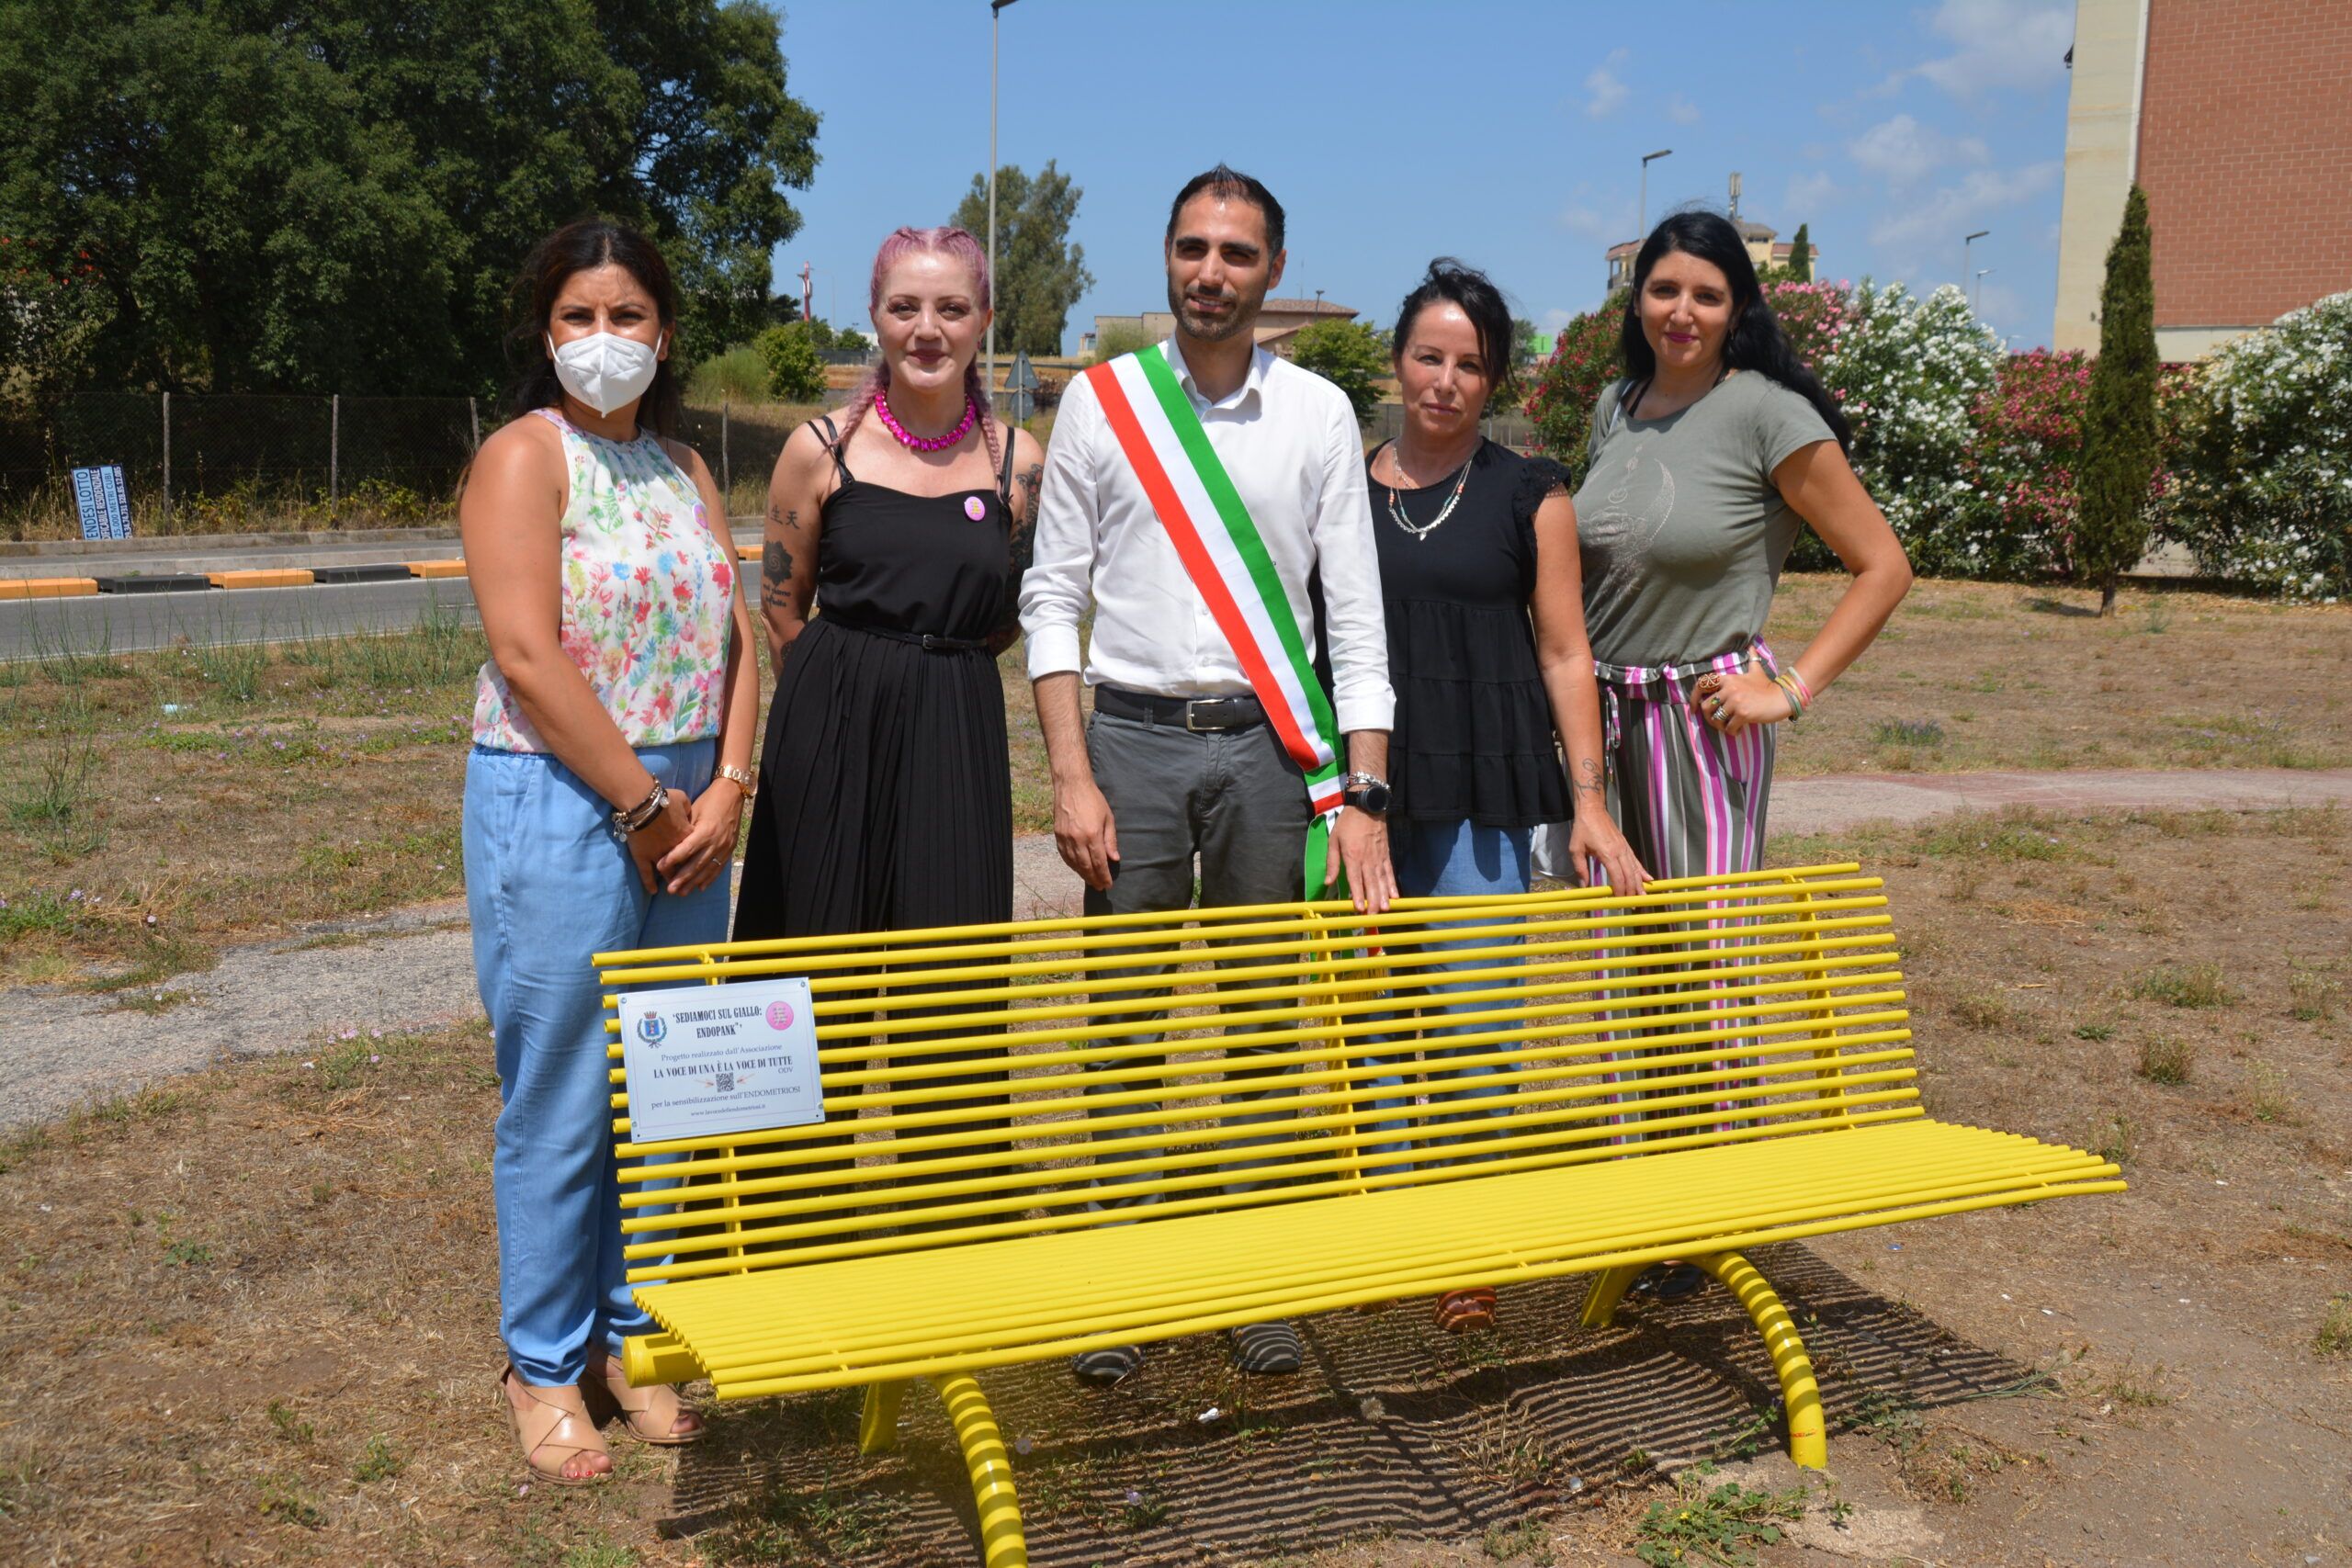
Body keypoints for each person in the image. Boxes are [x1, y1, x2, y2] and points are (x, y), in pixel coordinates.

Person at [1021, 164, 1396, 1385]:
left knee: (1259, 1023)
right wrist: (1069, 774)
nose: (1212, 272)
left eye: (1238, 252)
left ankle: (1253, 1279)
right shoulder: (1103, 403)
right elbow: (1053, 592)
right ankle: (1120, 1282)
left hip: (1269, 752)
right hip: (1126, 740)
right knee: (1123, 1022)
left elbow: (1356, 618)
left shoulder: (1322, 414)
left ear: (1273, 270)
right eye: (1193, 247)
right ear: (1168, 256)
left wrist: (1364, 795)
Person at [1563, 210, 1913, 1300]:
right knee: (1636, 969)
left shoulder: (1768, 413)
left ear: (1737, 311)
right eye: (1664, 290)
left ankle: (1709, 1213)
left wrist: (1790, 688)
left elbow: (1882, 565)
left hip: (1702, 721)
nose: (1681, 311)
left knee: (1706, 963)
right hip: (1610, 723)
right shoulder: (1612, 411)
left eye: (1707, 295)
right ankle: (1649, 1191)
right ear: (1637, 302)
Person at [462, 217, 758, 1484]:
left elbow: (747, 633)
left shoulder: (688, 466)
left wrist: (731, 781)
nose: (603, 340)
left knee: (671, 1089)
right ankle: (544, 1357)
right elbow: (529, 654)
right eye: (578, 317)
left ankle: (637, 1330)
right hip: (567, 802)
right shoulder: (525, 459)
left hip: (695, 804)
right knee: (567, 1092)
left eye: (626, 316)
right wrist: (644, 805)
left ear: (665, 332)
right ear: (546, 333)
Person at [1357, 259, 1648, 1334]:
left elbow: (1567, 654)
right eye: (1428, 357)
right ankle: (1388, 1225)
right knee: (1372, 1023)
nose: (1444, 380)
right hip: (1368, 790)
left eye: (1468, 364)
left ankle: (1466, 1243)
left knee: (1475, 1020)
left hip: (1484, 781)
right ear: (1398, 361)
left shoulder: (1534, 492)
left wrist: (1589, 800)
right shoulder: (1339, 483)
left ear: (1493, 380)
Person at [733, 227, 1042, 1203]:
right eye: (906, 307)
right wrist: (846, 694)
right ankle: (771, 1248)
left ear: (984, 320)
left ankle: (951, 1256)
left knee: (948, 999)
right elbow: (782, 604)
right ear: (875, 317)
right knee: (804, 981)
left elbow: (1008, 611)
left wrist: (926, 676)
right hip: (828, 723)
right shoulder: (817, 448)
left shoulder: (1016, 463)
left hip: (955, 723)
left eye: (951, 308)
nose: (927, 329)